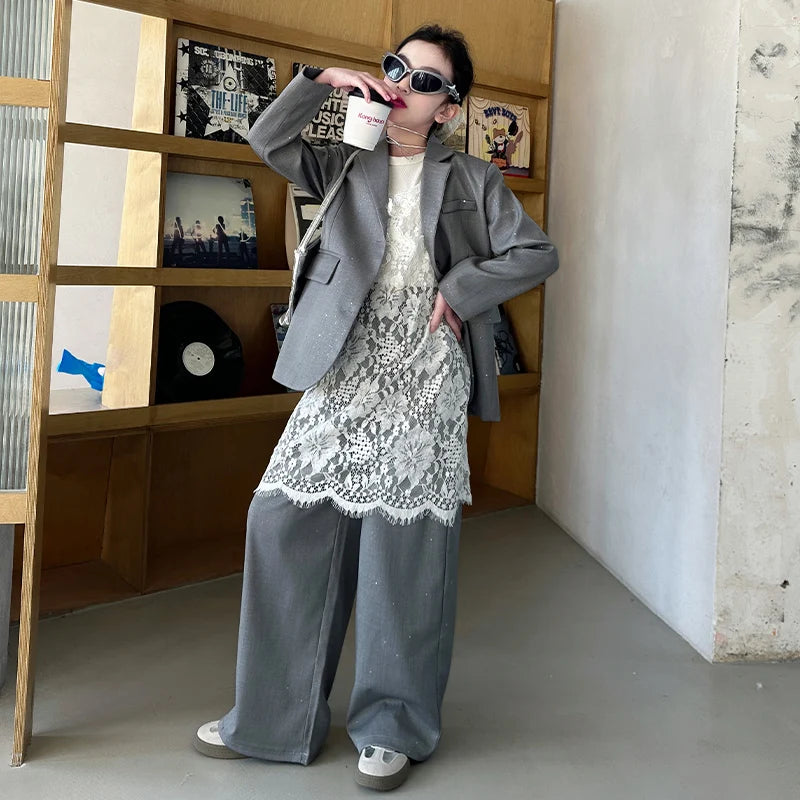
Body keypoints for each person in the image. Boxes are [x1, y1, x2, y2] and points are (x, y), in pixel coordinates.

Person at [192, 24, 558, 792]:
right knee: (282, 519)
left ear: (447, 108)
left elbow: (537, 252)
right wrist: (322, 82)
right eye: (397, 68)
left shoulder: (472, 179)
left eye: (424, 80)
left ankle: (393, 724)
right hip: (344, 362)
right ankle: (272, 716)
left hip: (424, 366)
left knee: (404, 547)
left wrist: (462, 290)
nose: (402, 84)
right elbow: (266, 139)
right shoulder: (345, 158)